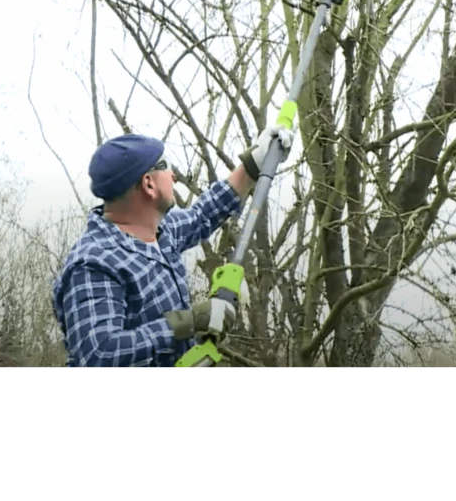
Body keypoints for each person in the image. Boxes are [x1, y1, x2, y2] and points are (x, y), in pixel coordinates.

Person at [52, 126, 291, 369]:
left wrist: (253, 165)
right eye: (165, 166)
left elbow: (202, 215)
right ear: (148, 184)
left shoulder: (160, 230)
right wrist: (187, 322)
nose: (173, 175)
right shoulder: (93, 264)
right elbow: (98, 352)